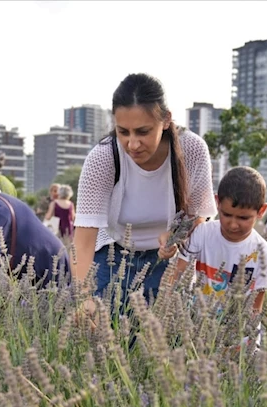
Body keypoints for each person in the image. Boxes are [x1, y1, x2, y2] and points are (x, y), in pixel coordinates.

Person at [73, 73, 217, 301]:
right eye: (123, 132)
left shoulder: (192, 149)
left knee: (167, 323)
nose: (132, 144)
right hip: (113, 257)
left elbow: (198, 218)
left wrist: (176, 237)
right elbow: (83, 240)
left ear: (166, 120)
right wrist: (84, 299)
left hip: (168, 261)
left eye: (143, 131)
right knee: (103, 321)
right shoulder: (103, 157)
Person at [175, 167, 267, 314]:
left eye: (243, 218)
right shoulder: (203, 232)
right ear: (217, 202)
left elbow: (255, 308)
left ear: (261, 211)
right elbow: (176, 273)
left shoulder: (263, 252)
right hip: (197, 322)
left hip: (236, 326)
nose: (233, 225)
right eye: (227, 215)